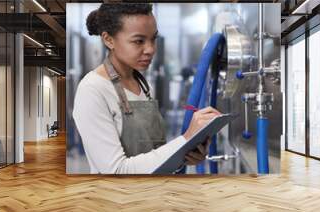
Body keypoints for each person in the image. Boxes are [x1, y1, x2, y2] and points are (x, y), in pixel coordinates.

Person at [73, 3, 221, 174]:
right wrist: (184, 140)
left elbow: (153, 156)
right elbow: (116, 171)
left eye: (153, 39)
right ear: (108, 39)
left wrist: (184, 156)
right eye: (139, 41)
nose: (150, 49)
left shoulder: (142, 84)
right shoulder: (92, 90)